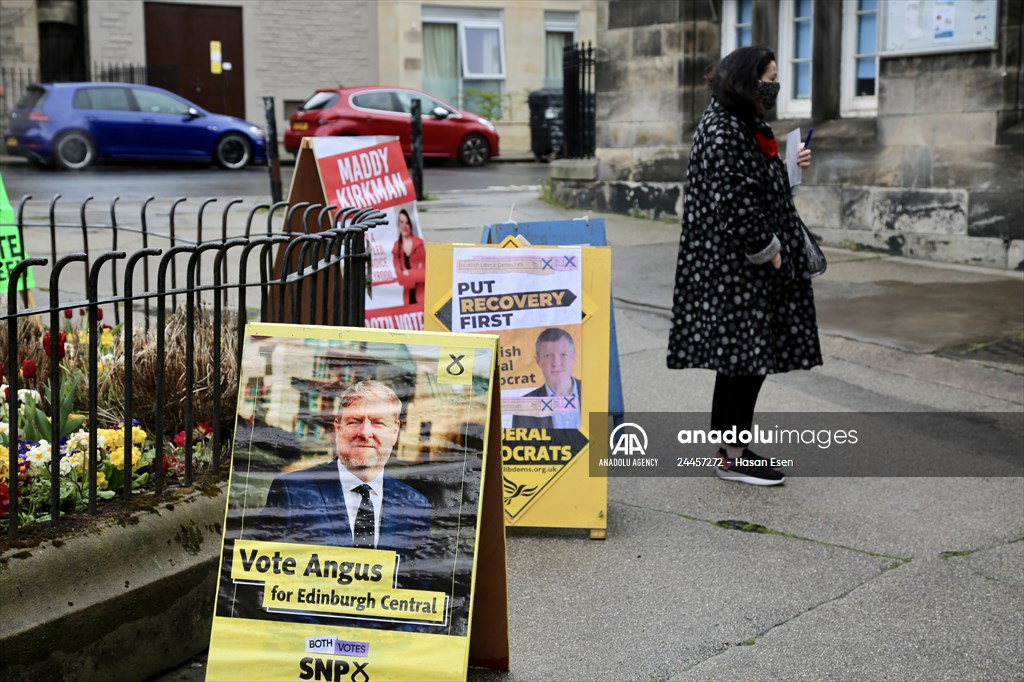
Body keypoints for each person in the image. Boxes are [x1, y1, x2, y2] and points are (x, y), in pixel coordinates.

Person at [667, 46, 822, 486]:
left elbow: (757, 185)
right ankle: (733, 456)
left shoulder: (744, 122)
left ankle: (730, 449)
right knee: (744, 362)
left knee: (743, 362)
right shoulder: (724, 129)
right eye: (769, 76)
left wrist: (789, 166)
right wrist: (769, 251)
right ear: (745, 79)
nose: (774, 83)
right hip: (738, 270)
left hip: (746, 268)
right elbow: (734, 202)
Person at [254, 379, 430, 557]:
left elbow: (419, 580)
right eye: (355, 421)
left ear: (394, 432)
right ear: (338, 428)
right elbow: (258, 570)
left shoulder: (415, 505)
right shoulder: (292, 491)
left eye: (378, 422)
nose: (365, 432)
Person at [512, 327, 582, 429]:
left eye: (563, 354)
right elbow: (522, 445)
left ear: (574, 356)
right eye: (548, 356)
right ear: (538, 361)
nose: (556, 363)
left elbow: (603, 440)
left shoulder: (595, 392)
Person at [391, 208, 425, 306]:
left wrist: (408, 274)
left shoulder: (419, 244)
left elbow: (423, 272)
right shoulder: (396, 246)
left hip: (420, 293)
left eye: (406, 223)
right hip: (404, 295)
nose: (404, 226)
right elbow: (398, 273)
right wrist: (412, 274)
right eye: (401, 222)